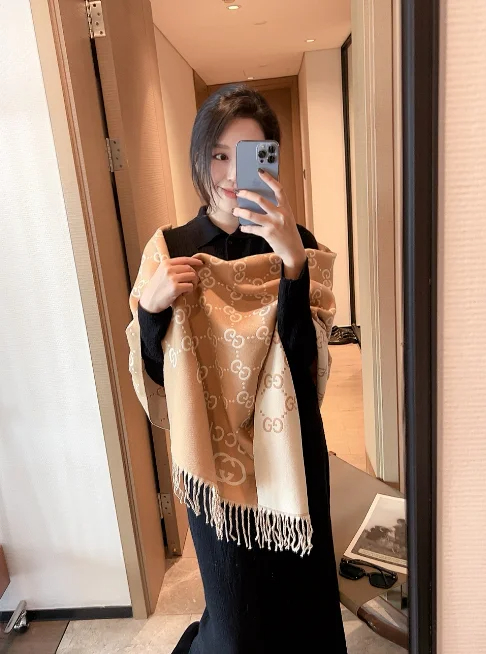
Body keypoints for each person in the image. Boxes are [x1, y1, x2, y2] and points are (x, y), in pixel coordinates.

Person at [134, 85, 347, 653]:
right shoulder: (172, 249)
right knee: (237, 618)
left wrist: (293, 263)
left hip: (292, 447)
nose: (232, 174)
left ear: (271, 160)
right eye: (219, 155)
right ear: (199, 157)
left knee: (306, 600)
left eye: (249, 155)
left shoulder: (298, 243)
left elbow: (305, 367)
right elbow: (158, 375)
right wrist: (151, 309)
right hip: (216, 455)